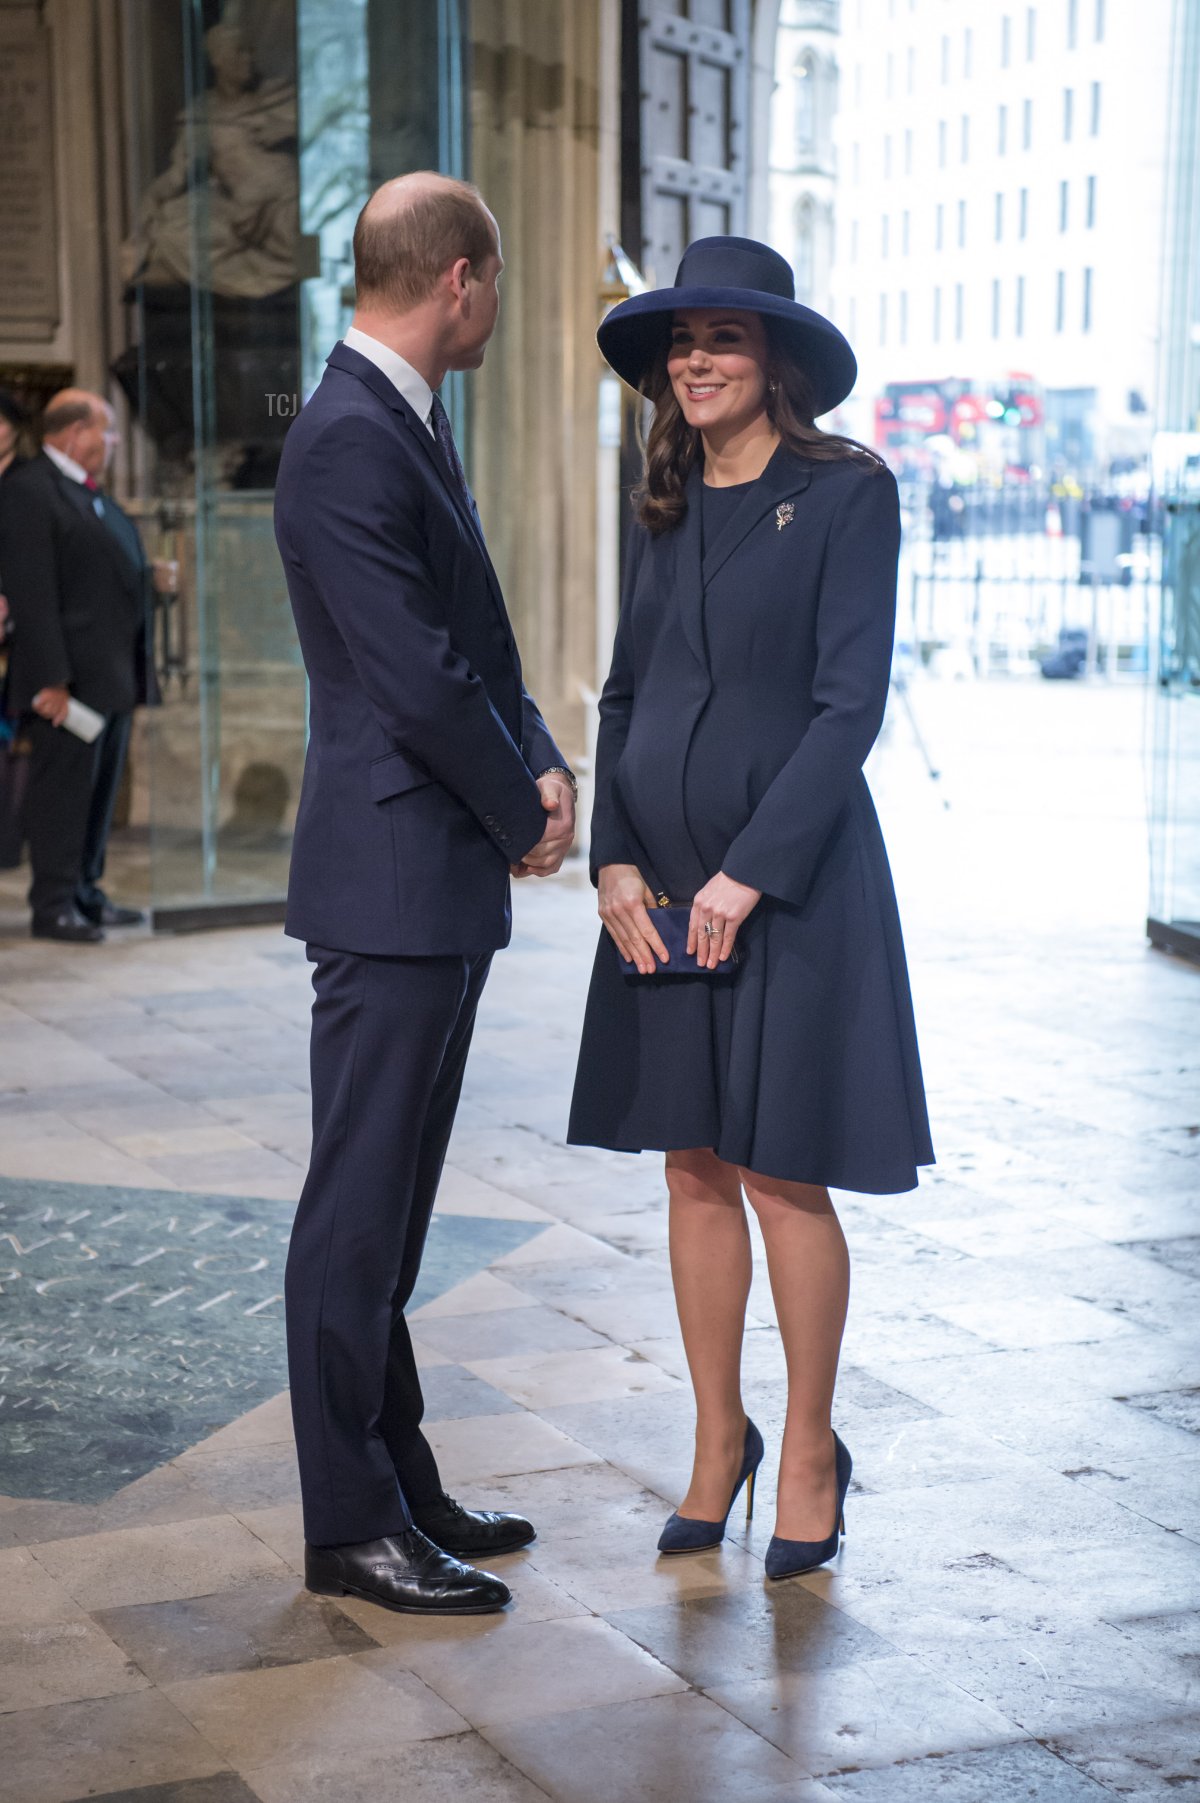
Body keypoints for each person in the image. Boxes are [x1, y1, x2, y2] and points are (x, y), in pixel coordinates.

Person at [568, 237, 934, 1581]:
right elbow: (623, 696)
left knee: (783, 1170)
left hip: (789, 888)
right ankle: (719, 1438)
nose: (696, 360)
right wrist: (613, 861)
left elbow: (851, 709)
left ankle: (815, 1447)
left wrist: (745, 874)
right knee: (690, 1163)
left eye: (722, 337)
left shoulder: (849, 492)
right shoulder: (658, 495)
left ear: (773, 357)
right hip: (657, 887)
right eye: (681, 341)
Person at [274, 172, 576, 1618]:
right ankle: (349, 1521)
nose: (498, 309)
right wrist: (520, 805)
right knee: (355, 1209)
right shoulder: (345, 435)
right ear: (461, 277)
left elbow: (476, 630)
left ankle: (398, 1473)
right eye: (499, 284)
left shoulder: (401, 415)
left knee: (391, 1210)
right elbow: (408, 675)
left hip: (429, 874)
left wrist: (542, 753)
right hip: (390, 877)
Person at [0, 390, 159, 942]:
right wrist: (49, 679)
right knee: (61, 796)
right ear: (73, 434)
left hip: (108, 673)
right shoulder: (29, 490)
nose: (113, 442)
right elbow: (32, 590)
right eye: (106, 430)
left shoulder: (87, 494)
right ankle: (53, 903)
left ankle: (85, 891)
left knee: (97, 796)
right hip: (68, 681)